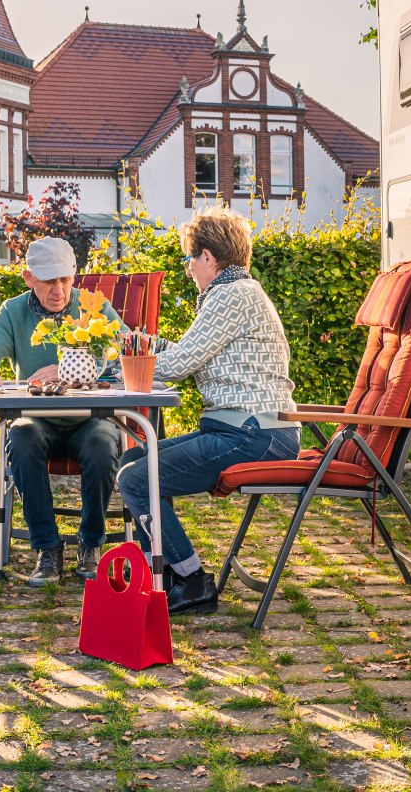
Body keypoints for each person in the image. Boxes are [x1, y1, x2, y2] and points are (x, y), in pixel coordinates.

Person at [116, 207, 299, 616]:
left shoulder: (233, 296)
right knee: (132, 460)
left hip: (253, 435)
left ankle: (192, 581)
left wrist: (114, 367)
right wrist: (131, 343)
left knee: (136, 478)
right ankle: (161, 574)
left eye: (188, 259)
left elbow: (181, 364)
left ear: (208, 258)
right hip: (247, 430)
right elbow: (184, 352)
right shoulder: (234, 293)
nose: (187, 269)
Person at [0, 236, 125, 585]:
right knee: (19, 435)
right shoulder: (13, 311)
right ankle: (48, 548)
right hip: (37, 422)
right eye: (49, 280)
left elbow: (125, 353)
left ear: (74, 276)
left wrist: (72, 367)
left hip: (90, 421)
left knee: (104, 443)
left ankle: (90, 543)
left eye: (65, 279)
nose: (59, 290)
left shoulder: (93, 306)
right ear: (28, 278)